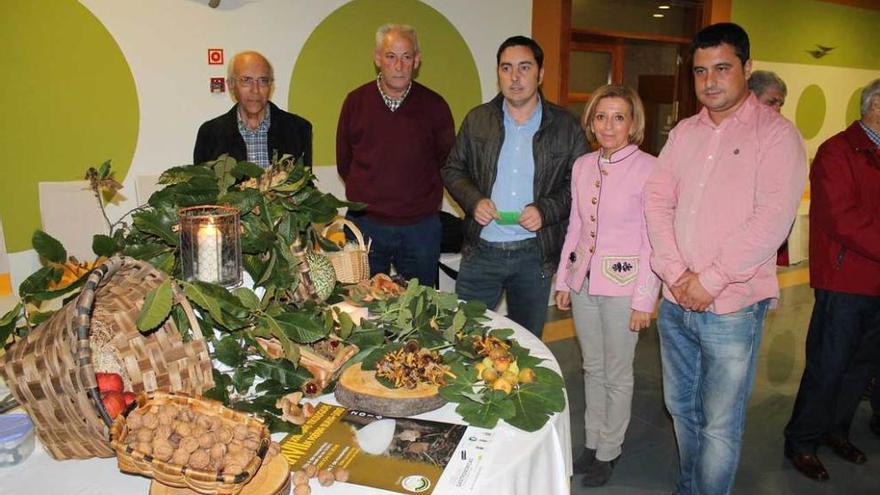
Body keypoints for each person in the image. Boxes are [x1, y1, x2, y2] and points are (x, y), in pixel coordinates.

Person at [643, 23, 806, 495]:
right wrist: (675, 275)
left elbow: (772, 220)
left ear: (746, 68)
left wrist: (709, 280)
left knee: (718, 421)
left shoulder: (777, 136)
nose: (710, 81)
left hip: (732, 306)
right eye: (700, 71)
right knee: (681, 407)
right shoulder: (684, 134)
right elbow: (657, 201)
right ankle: (690, 487)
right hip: (675, 301)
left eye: (721, 68)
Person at [442, 36, 588, 338]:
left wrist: (545, 210)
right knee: (463, 339)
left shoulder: (566, 126)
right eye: (506, 68)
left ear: (540, 73)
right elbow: (453, 168)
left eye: (524, 67)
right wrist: (474, 200)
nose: (515, 77)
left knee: (526, 343)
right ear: (498, 73)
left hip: (534, 255)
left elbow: (581, 186)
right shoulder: (478, 120)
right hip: (481, 251)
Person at [554, 84, 660, 487]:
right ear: (590, 121)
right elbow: (576, 228)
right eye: (601, 116)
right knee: (591, 367)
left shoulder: (650, 169)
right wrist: (566, 278)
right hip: (584, 283)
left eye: (619, 117)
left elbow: (653, 240)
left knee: (617, 373)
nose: (609, 125)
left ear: (633, 123)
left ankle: (610, 450)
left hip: (624, 287)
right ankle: (593, 442)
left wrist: (644, 299)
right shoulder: (582, 166)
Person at [783, 78, 880, 482]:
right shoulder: (837, 151)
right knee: (829, 364)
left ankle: (836, 431)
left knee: (861, 367)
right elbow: (842, 219)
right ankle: (802, 441)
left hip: (875, 279)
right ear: (875, 106)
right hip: (845, 279)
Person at [336, 24, 455, 286]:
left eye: (406, 57)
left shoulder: (435, 106)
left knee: (420, 310)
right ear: (378, 59)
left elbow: (447, 162)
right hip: (366, 226)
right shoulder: (355, 102)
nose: (399, 65)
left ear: (417, 60)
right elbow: (345, 161)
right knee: (361, 308)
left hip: (420, 229)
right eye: (391, 56)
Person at [194, 51, 312, 167]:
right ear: (231, 85)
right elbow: (202, 184)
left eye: (263, 81)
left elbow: (305, 184)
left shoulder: (298, 129)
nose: (255, 90)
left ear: (271, 86)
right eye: (246, 80)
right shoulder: (210, 134)